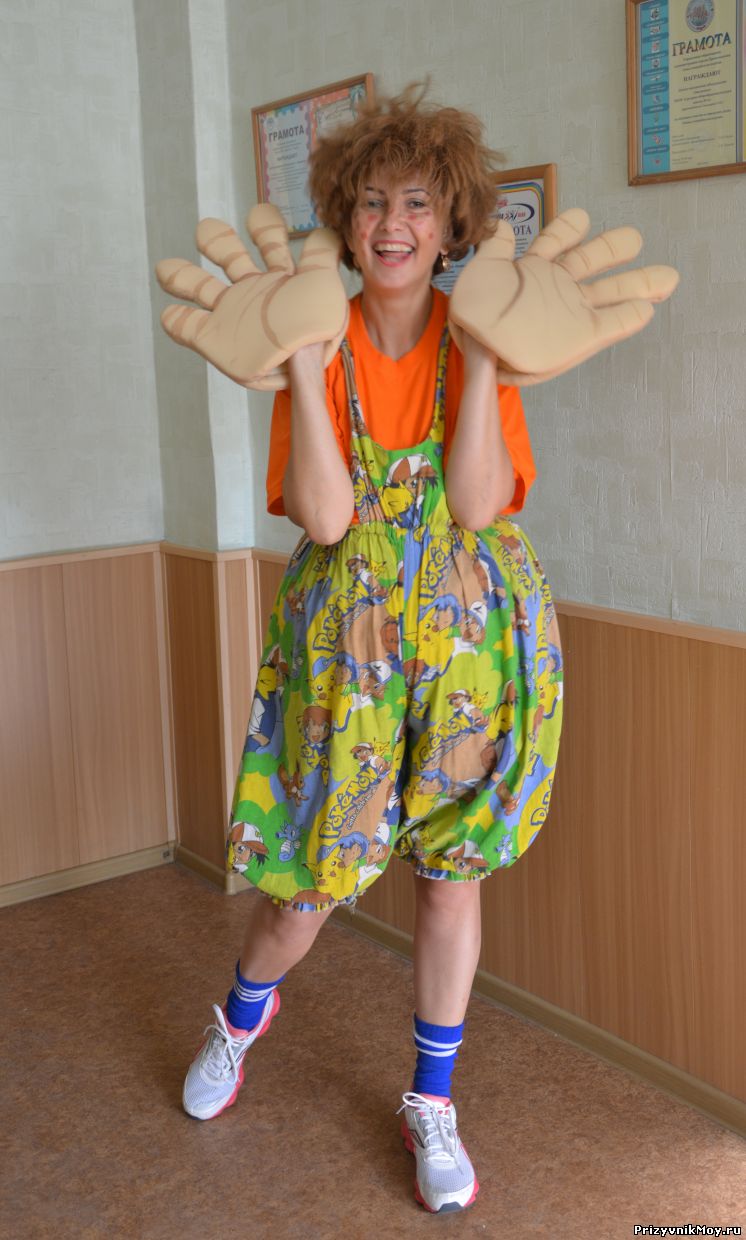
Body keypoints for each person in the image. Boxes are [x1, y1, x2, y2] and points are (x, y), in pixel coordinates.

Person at [167, 85, 672, 1215]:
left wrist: (481, 356)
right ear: (345, 221)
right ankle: (237, 1020)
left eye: (416, 203)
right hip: (345, 647)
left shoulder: (487, 330)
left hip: (471, 644)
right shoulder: (308, 325)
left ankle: (431, 1102)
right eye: (370, 202)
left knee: (451, 879)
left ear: (450, 226)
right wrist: (305, 359)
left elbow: (478, 505)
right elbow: (325, 516)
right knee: (303, 885)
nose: (390, 223)